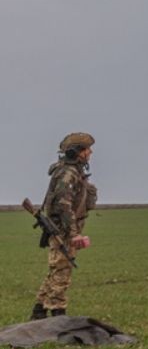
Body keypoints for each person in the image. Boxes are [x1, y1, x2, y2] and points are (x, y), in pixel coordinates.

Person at [31, 133, 98, 320]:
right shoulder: (68, 173)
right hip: (64, 231)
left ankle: (39, 312)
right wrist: (73, 234)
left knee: (56, 270)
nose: (90, 152)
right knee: (62, 272)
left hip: (65, 229)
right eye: (87, 149)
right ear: (76, 152)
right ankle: (57, 315)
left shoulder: (73, 172)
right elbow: (63, 204)